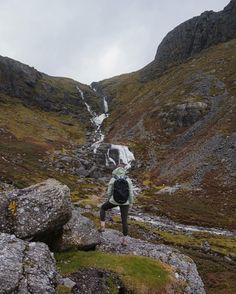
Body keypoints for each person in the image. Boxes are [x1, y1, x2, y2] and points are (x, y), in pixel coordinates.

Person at [99, 162, 134, 246]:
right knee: (124, 220)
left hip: (114, 200)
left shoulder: (113, 179)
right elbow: (131, 192)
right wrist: (131, 203)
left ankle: (103, 227)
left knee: (103, 208)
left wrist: (109, 200)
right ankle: (125, 240)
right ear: (124, 169)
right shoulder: (127, 179)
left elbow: (109, 192)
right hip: (125, 202)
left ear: (116, 169)